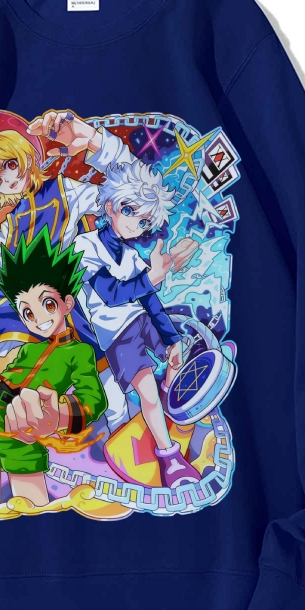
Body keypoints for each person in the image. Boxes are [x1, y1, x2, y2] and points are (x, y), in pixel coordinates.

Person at [0, 110, 136, 430]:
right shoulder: (10, 222)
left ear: (23, 154)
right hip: (23, 303)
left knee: (98, 367)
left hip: (61, 299)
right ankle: (5, 403)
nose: (8, 178)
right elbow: (1, 264)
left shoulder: (64, 191)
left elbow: (121, 194)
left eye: (10, 164)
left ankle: (120, 426)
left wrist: (97, 143)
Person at [0, 226, 108, 510]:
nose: (39, 318)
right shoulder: (27, 349)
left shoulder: (78, 351)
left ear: (67, 303)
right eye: (27, 312)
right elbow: (4, 390)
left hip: (21, 433)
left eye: (48, 304)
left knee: (33, 508)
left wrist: (59, 414)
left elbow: (94, 400)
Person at [73, 160, 201, 487]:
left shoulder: (131, 257)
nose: (136, 224)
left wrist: (172, 339)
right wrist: (151, 278)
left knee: (178, 359)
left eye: (144, 221)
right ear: (110, 207)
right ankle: (169, 458)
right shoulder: (85, 245)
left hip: (141, 321)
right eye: (130, 211)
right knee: (148, 392)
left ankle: (169, 409)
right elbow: (112, 294)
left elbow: (150, 302)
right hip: (117, 335)